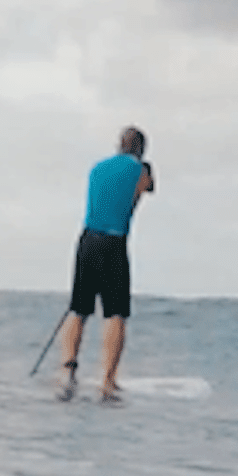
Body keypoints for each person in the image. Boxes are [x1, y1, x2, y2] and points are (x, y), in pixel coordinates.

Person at [55, 127, 155, 402]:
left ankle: (68, 370)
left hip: (87, 240)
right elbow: (147, 188)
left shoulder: (97, 167)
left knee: (78, 309)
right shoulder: (140, 170)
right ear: (141, 149)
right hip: (114, 243)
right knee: (115, 313)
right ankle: (108, 380)